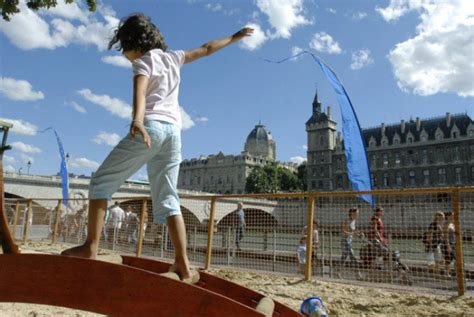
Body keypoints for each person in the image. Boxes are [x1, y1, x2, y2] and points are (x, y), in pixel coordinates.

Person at [61, 13, 253, 281]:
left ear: (132, 43)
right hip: (174, 133)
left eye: (124, 49)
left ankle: (90, 246)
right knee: (167, 197)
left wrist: (137, 120)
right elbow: (207, 48)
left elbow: (139, 90)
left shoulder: (142, 61)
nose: (125, 55)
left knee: (101, 182)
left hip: (150, 127)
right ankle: (183, 263)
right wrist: (234, 37)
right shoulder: (174, 57)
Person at [339, 208, 363, 277]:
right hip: (345, 241)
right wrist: (353, 234)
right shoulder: (346, 221)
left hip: (349, 241)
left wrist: (359, 233)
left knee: (344, 258)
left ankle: (337, 271)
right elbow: (344, 232)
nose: (357, 215)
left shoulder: (353, 221)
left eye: (358, 213)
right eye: (356, 213)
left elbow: (353, 230)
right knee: (353, 257)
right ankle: (358, 274)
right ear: (352, 213)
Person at [442, 212, 455, 276]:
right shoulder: (446, 224)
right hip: (448, 243)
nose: (454, 216)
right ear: (448, 216)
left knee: (451, 259)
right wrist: (448, 246)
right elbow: (445, 236)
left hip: (453, 243)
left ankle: (447, 273)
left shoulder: (452, 224)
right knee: (448, 259)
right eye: (452, 215)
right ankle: (446, 273)